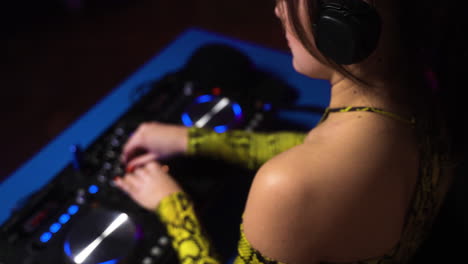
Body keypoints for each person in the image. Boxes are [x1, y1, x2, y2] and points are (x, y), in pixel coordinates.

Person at [113, 0, 467, 263]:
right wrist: (191, 140)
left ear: (341, 23)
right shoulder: (431, 93)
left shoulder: (288, 187)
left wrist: (171, 205)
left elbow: (308, 178)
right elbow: (322, 152)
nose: (279, 9)